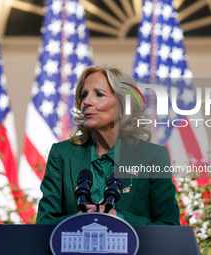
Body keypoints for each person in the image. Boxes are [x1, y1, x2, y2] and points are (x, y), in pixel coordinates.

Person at [35, 65, 180, 225]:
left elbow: (169, 225)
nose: (87, 102)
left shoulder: (153, 157)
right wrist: (76, 221)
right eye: (84, 95)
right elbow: (44, 223)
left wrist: (121, 218)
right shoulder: (61, 154)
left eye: (99, 94)